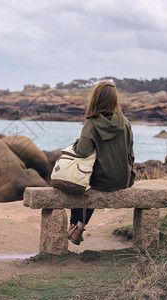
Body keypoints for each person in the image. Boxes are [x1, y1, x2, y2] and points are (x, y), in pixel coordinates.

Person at [68, 81, 135, 245]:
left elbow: (82, 152)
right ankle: (77, 228)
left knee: (78, 182)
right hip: (124, 179)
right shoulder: (125, 122)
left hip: (101, 181)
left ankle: (76, 227)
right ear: (115, 100)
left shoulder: (91, 122)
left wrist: (77, 142)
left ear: (95, 99)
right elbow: (130, 154)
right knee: (92, 180)